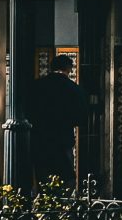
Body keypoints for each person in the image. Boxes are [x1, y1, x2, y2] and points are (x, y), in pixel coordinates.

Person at [20, 53, 89, 186]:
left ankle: (44, 202)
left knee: (42, 177)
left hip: (39, 139)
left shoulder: (36, 86)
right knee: (65, 176)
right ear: (69, 69)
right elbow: (81, 118)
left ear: (51, 67)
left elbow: (27, 112)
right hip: (62, 140)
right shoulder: (74, 89)